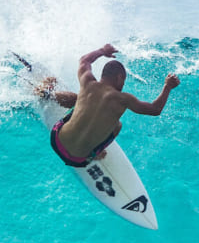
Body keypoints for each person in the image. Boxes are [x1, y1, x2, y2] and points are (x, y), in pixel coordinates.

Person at [36, 44, 180, 168]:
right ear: (119, 78)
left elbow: (84, 60)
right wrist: (167, 86)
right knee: (117, 125)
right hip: (79, 160)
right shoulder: (123, 99)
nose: (123, 86)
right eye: (123, 81)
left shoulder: (88, 82)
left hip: (57, 142)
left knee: (79, 98)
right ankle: (96, 153)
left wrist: (102, 51)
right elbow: (155, 110)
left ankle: (48, 94)